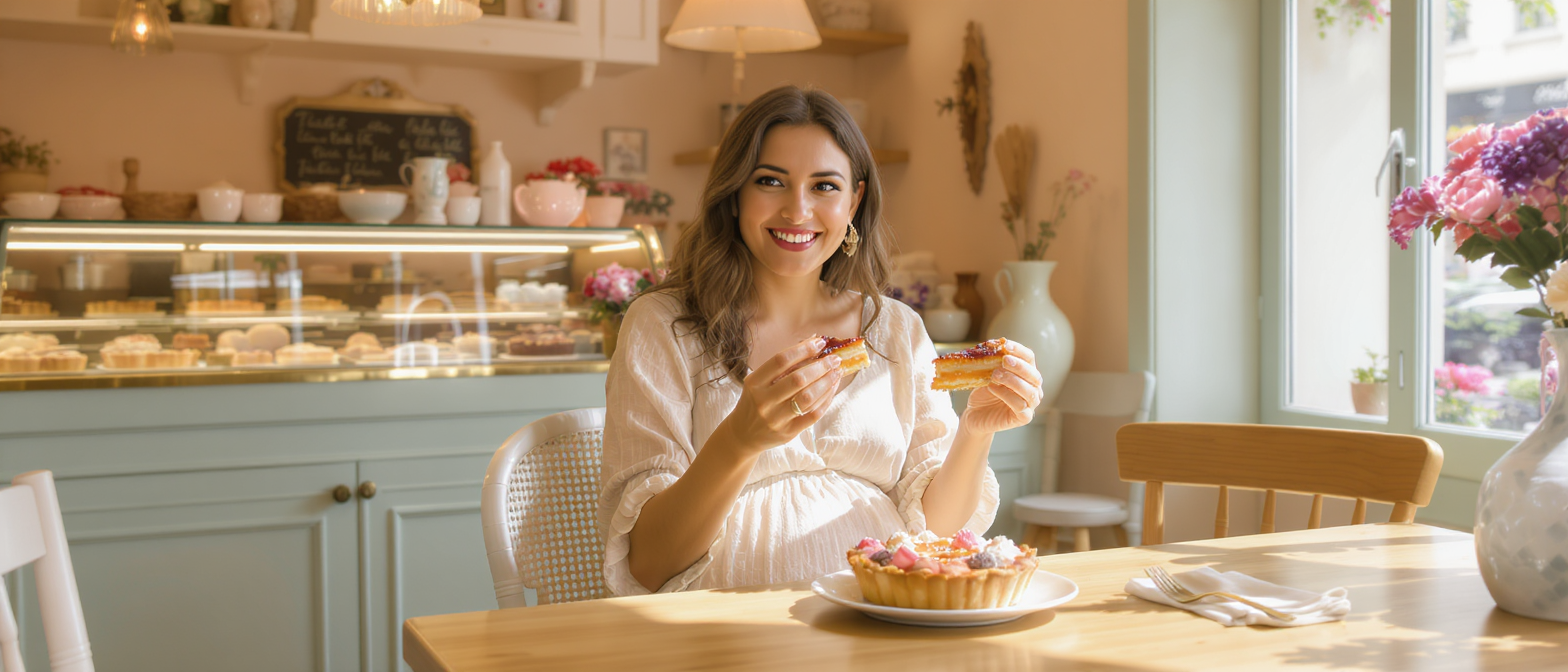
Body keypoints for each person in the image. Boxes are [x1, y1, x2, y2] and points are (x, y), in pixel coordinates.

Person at [597, 85, 1045, 595]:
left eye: (824, 186)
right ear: (735, 193)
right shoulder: (662, 325)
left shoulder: (896, 329)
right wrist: (740, 438)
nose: (797, 210)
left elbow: (938, 532)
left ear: (854, 200)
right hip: (722, 631)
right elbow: (649, 564)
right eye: (770, 181)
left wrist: (976, 429)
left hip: (883, 614)